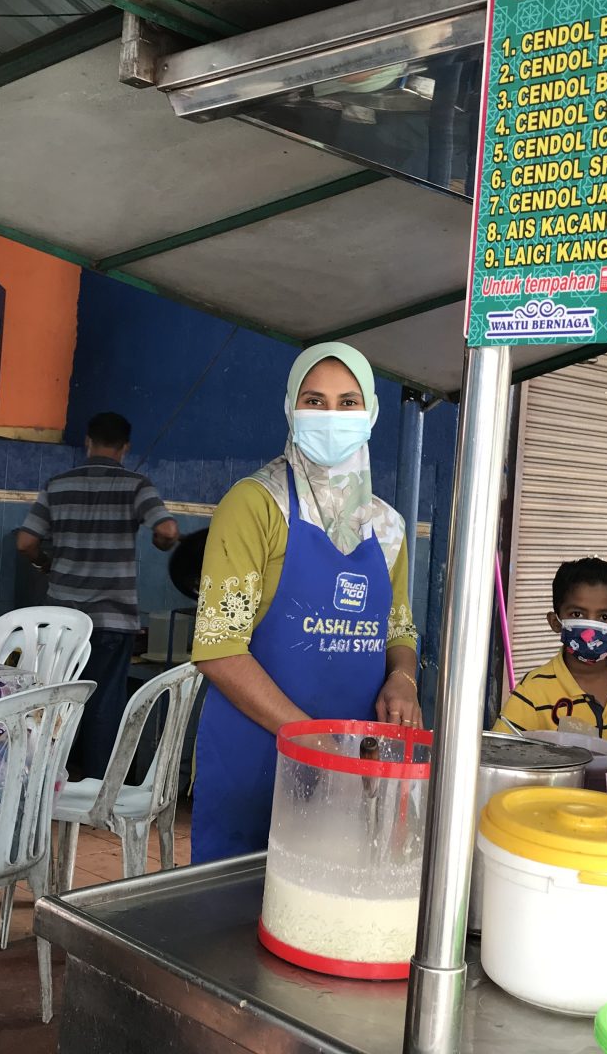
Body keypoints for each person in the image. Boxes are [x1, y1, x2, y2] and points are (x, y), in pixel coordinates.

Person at [190, 342, 422, 864]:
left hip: (354, 760)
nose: (332, 416)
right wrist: (310, 742)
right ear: (292, 408)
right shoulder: (255, 503)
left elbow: (398, 632)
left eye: (348, 402)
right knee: (234, 921)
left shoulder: (387, 526)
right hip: (257, 758)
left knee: (334, 908)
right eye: (315, 401)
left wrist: (402, 679)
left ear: (371, 414)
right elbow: (218, 648)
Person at [17, 411, 178, 778]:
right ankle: (94, 788)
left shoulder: (57, 484)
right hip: (113, 619)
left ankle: (49, 781)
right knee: (104, 702)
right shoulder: (137, 485)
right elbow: (167, 529)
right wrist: (161, 540)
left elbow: (26, 542)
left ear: (88, 442)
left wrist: (44, 562)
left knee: (58, 699)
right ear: (125, 447)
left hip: (62, 622)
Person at [495, 557, 607, 763]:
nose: (591, 628)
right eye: (578, 614)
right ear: (555, 622)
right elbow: (499, 751)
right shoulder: (534, 691)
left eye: (605, 617)